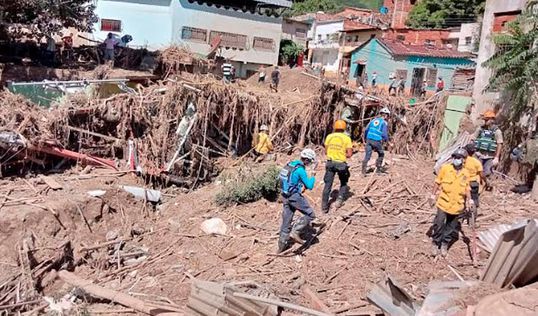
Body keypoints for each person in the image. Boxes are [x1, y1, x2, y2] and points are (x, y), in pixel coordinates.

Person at [430, 148, 472, 257]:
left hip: (457, 205)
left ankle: (444, 244)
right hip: (443, 202)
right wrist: (432, 195)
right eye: (455, 157)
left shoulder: (466, 173)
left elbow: (467, 188)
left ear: (463, 160)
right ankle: (435, 242)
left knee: (450, 227)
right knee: (438, 223)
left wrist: (469, 200)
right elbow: (437, 182)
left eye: (459, 158)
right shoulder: (445, 169)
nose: (456, 160)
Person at [277, 148, 317, 253]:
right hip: (294, 197)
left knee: (286, 222)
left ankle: (281, 248)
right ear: (307, 160)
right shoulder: (300, 170)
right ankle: (296, 231)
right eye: (310, 161)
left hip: (285, 196)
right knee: (310, 215)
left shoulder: (290, 165)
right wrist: (313, 175)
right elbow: (310, 186)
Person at [322, 120, 353, 212]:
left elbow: (326, 151)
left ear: (334, 127)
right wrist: (342, 155)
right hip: (341, 164)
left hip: (330, 163)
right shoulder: (346, 138)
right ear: (344, 128)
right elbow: (349, 154)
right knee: (343, 183)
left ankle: (324, 207)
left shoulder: (329, 137)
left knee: (327, 185)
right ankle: (339, 201)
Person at [472, 110, 503, 182]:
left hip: (489, 157)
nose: (485, 121)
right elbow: (473, 139)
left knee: (487, 173)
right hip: (478, 154)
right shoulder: (480, 129)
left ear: (492, 120)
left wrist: (496, 157)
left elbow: (499, 144)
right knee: (475, 172)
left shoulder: (497, 131)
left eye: (487, 119)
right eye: (485, 119)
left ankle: (485, 187)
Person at [362, 107, 390, 175]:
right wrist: (387, 141)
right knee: (381, 154)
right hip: (376, 140)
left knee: (367, 155)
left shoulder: (372, 120)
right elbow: (384, 134)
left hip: (369, 139)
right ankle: (378, 169)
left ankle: (363, 171)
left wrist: (365, 139)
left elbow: (366, 130)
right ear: (386, 115)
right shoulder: (384, 123)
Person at [464, 143, 485, 207]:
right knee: (474, 198)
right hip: (473, 183)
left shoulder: (463, 161)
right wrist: (485, 181)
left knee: (462, 198)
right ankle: (474, 211)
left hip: (463, 182)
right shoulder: (477, 162)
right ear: (474, 152)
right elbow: (481, 174)